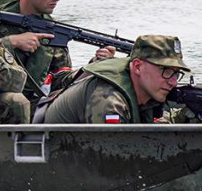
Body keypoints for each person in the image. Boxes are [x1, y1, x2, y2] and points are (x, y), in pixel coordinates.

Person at [0, 0, 115, 110]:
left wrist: (94, 65)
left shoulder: (53, 31)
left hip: (31, 103)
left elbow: (61, 81)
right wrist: (10, 42)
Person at [41, 35, 188, 124]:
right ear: (137, 66)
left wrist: (183, 118)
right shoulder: (108, 99)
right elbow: (113, 160)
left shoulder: (144, 89)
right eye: (166, 71)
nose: (173, 82)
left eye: (176, 73)